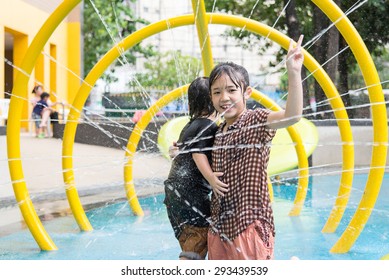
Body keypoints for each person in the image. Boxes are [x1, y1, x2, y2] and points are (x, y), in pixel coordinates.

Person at [207, 35, 304, 260]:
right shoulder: (217, 131)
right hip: (219, 226)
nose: (224, 97)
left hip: (248, 224)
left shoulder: (256, 120)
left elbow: (293, 116)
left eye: (232, 90)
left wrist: (293, 72)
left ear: (247, 92)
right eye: (217, 92)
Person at [163, 77, 227, 260]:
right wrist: (212, 178)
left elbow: (181, 153)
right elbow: (198, 154)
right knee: (197, 242)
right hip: (191, 194)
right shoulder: (208, 126)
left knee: (191, 240)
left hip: (175, 193)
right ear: (211, 99)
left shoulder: (190, 126)